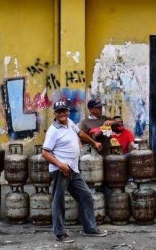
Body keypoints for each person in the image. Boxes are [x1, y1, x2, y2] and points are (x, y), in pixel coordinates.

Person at [42, 101, 107, 243]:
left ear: (68, 112)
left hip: (73, 169)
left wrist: (93, 143)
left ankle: (89, 228)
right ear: (55, 113)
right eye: (59, 111)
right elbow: (45, 153)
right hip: (61, 170)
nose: (62, 114)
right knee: (58, 201)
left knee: (85, 195)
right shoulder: (53, 131)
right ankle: (60, 233)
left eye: (64, 111)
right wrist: (61, 165)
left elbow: (81, 133)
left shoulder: (70, 122)